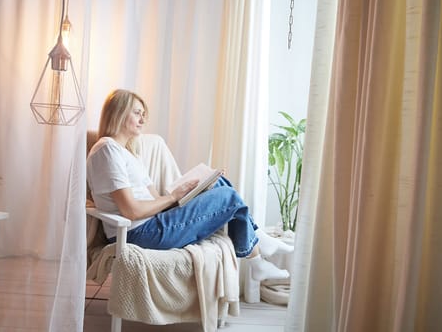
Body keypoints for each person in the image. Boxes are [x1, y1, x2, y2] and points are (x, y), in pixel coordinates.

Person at [87, 89, 293, 301]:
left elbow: (155, 199)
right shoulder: (107, 149)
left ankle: (257, 244)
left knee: (217, 183)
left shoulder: (128, 153)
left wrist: (195, 189)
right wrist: (173, 197)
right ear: (119, 113)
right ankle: (256, 257)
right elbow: (130, 210)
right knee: (228, 197)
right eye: (137, 113)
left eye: (143, 115)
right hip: (138, 234)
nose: (143, 120)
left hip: (153, 223)